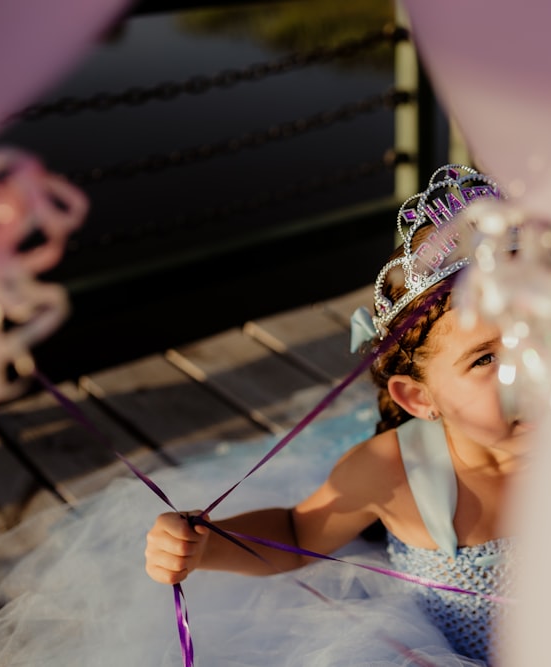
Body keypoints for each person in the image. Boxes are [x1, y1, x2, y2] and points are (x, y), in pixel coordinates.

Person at [144, 164, 524, 665]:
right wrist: (207, 547)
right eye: (485, 358)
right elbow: (299, 534)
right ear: (418, 399)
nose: (530, 370)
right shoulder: (395, 471)